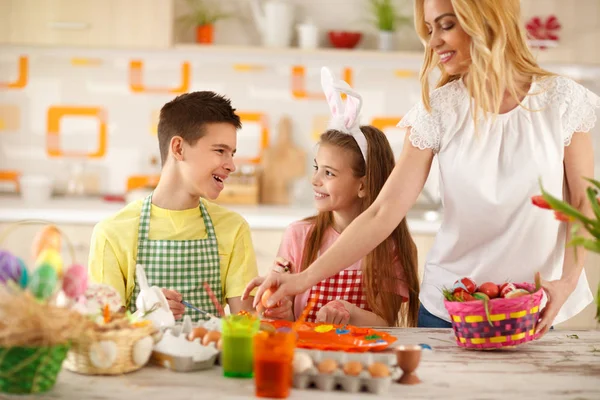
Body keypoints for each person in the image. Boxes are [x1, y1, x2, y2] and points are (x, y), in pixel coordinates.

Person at [247, 0, 599, 334]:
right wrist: (302, 279)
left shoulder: (561, 101)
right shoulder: (439, 110)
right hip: (448, 309)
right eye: (429, 29)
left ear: (487, 21)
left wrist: (567, 282)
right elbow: (382, 211)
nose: (434, 42)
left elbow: (583, 206)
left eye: (446, 26)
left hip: (530, 308)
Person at [244, 68, 420, 327]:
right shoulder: (299, 235)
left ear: (363, 185)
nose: (315, 180)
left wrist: (348, 311)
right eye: (317, 168)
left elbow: (385, 322)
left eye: (329, 173)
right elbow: (291, 316)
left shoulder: (388, 247)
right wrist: (280, 310)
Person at [89, 91, 259, 320]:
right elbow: (105, 331)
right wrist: (144, 316)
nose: (231, 166)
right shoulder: (112, 233)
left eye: (232, 153)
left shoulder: (233, 228)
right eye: (220, 151)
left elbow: (246, 324)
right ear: (179, 148)